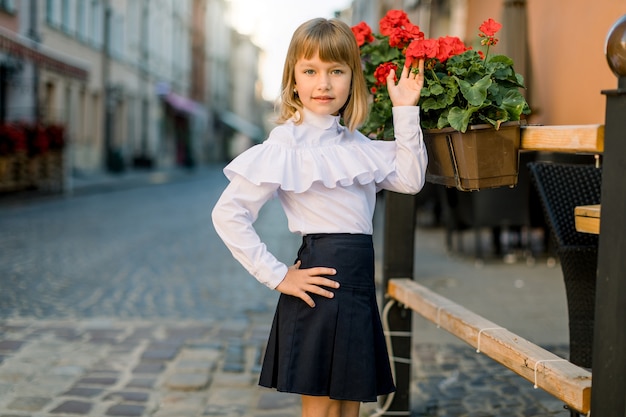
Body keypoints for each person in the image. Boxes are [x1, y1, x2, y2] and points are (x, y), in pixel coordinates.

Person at [212, 17, 426, 417]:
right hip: (320, 287)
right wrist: (278, 275)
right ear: (293, 79)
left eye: (336, 71)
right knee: (324, 413)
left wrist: (405, 112)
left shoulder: (356, 144)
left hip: (359, 284)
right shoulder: (285, 145)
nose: (323, 84)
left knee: (349, 410)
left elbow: (411, 181)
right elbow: (228, 214)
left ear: (352, 79)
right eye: (310, 71)